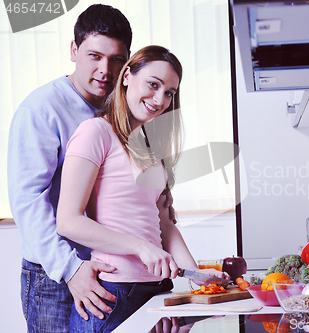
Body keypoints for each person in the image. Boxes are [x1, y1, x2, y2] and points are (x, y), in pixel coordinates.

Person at [56, 45, 225, 333]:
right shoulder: (95, 132)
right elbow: (68, 221)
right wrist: (142, 248)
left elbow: (163, 224)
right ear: (126, 76)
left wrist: (197, 275)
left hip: (156, 291)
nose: (160, 99)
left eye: (169, 92)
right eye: (153, 84)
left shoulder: (149, 148)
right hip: (113, 296)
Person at [7, 4, 136, 332]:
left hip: (108, 268)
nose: (105, 70)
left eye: (116, 59)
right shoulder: (41, 110)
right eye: (94, 56)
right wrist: (71, 269)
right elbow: (28, 201)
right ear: (73, 50)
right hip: (55, 274)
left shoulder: (120, 108)